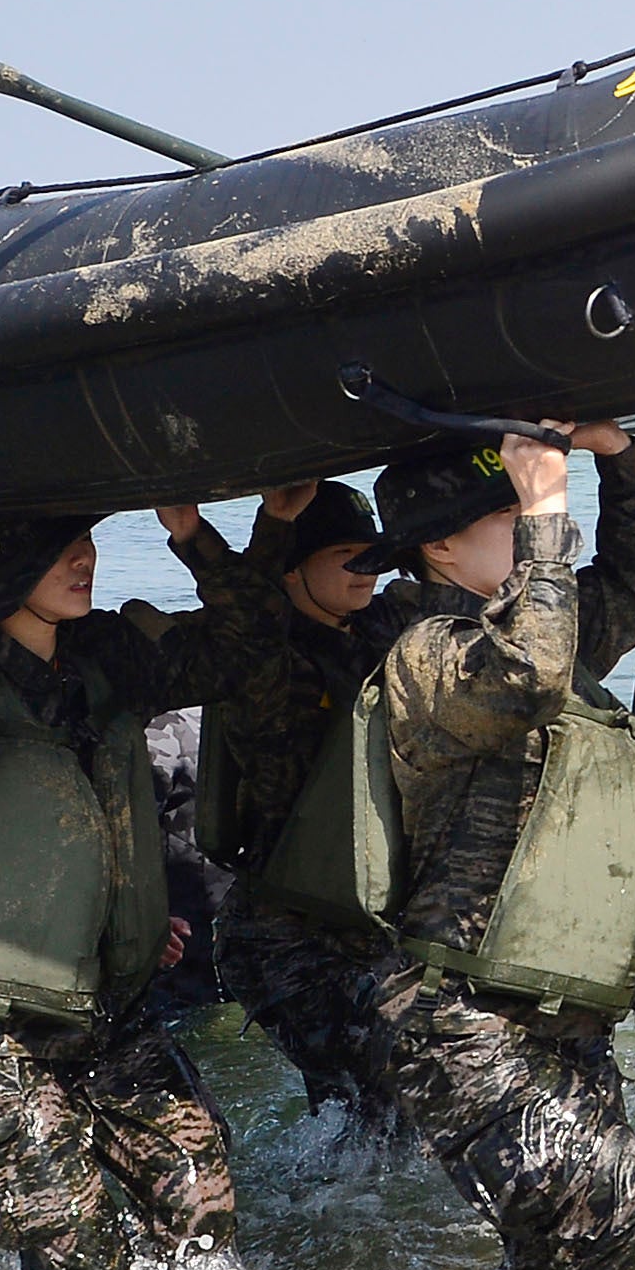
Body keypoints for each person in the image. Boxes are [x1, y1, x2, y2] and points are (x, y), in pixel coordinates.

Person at [0, 508, 258, 1270]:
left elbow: (245, 652)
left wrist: (193, 535)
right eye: (59, 544)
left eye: (87, 539)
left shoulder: (106, 656)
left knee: (204, 1220)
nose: (85, 555)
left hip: (111, 1006)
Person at [348, 420, 635, 1270]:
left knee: (570, 1245)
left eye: (520, 514)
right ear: (438, 547)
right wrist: (545, 511)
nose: (531, 532)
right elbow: (530, 674)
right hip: (461, 1020)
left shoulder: (529, 628)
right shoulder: (430, 648)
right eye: (499, 518)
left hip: (547, 1017)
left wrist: (620, 462)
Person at [186, 479, 408, 1125]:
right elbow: (243, 620)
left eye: (372, 553)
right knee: (373, 1098)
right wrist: (268, 527)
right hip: (284, 933)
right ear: (291, 569)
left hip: (360, 921)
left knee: (378, 1111)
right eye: (344, 552)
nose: (365, 569)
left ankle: (347, 1204)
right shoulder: (266, 665)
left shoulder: (375, 637)